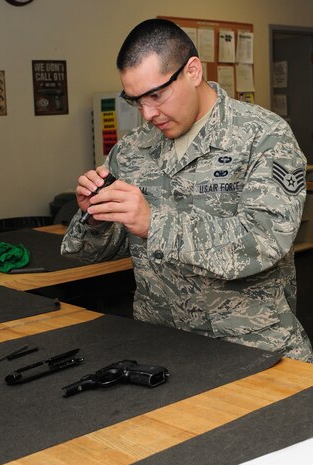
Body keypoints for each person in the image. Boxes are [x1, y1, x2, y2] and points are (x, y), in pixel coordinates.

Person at [61, 18, 313, 362]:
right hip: (160, 344)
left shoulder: (263, 136)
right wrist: (96, 216)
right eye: (135, 100)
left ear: (193, 71)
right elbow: (93, 253)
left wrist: (154, 223)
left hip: (251, 347)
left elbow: (264, 242)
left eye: (156, 94)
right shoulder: (133, 149)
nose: (148, 113)